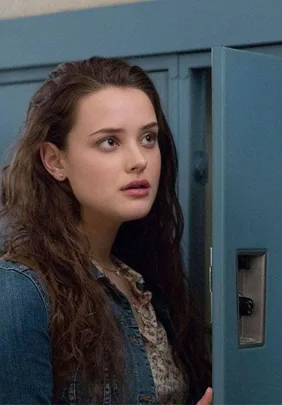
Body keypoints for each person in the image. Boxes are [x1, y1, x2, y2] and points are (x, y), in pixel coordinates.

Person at [0, 56, 212, 405]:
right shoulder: (20, 292)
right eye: (109, 142)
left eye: (148, 138)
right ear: (55, 160)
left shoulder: (143, 280)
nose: (138, 159)